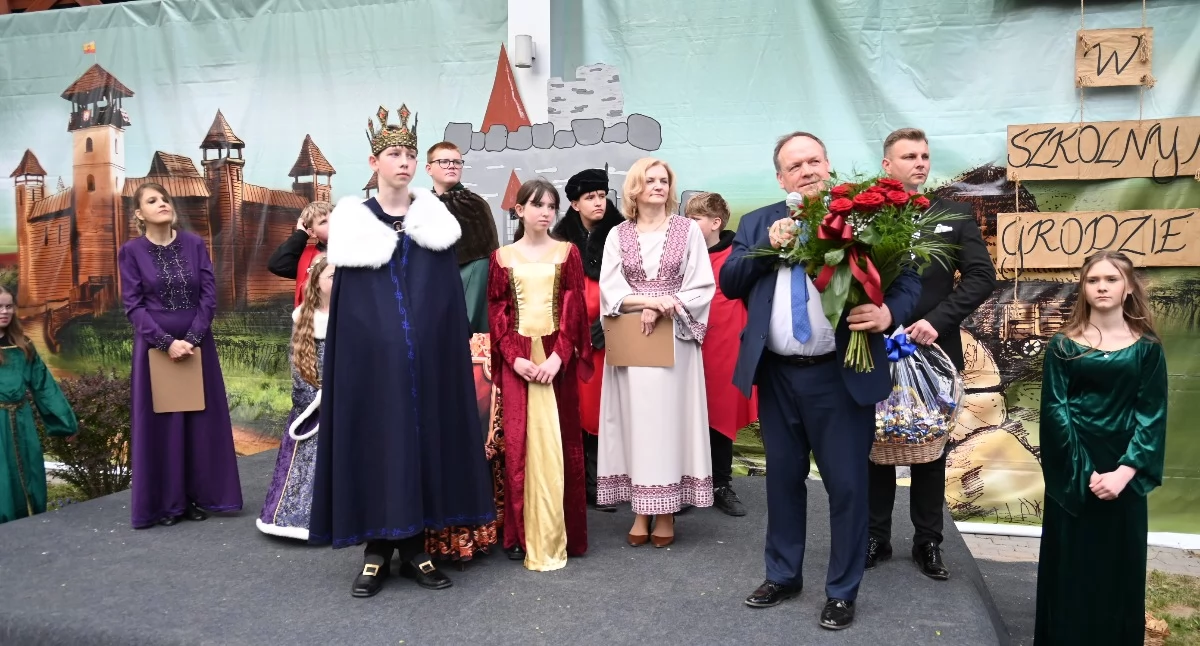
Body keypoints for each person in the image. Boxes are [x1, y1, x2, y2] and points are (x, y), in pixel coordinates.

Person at [720, 132, 921, 629]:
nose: (807, 171)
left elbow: (909, 279)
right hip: (779, 376)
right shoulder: (759, 222)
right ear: (780, 177)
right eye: (795, 165)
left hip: (840, 376)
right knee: (783, 483)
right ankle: (784, 575)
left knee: (848, 488)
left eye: (814, 161)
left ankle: (842, 590)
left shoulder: (862, 216)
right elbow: (730, 282)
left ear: (828, 164)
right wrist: (769, 243)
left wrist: (887, 312)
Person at [308, 104, 495, 598]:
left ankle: (415, 549)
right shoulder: (355, 227)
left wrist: (436, 351)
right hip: (371, 372)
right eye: (394, 153)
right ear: (374, 163)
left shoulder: (433, 226)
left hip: (428, 370)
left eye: (411, 153)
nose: (405, 161)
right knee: (377, 446)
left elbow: (444, 304)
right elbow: (353, 311)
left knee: (422, 446)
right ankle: (375, 551)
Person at [867, 128, 997, 580]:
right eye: (909, 156)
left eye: (924, 156)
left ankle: (928, 541)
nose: (920, 163)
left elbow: (983, 277)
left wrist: (937, 320)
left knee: (930, 450)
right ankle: (875, 537)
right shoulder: (867, 218)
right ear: (888, 165)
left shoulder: (955, 215)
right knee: (874, 444)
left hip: (933, 352)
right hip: (875, 348)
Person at [1034, 250, 1167, 645]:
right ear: (1083, 288)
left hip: (1124, 472)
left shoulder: (1147, 349)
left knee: (1118, 566)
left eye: (1111, 279)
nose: (1102, 286)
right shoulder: (1063, 345)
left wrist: (1125, 472)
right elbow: (1055, 412)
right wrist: (1084, 471)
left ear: (1128, 288)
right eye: (1093, 280)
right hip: (1074, 472)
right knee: (1071, 567)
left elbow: (1152, 415)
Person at [597, 157, 716, 548]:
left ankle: (665, 512)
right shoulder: (618, 234)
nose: (658, 186)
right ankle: (639, 509)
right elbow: (610, 290)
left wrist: (665, 303)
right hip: (633, 344)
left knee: (666, 423)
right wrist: (644, 302)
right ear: (634, 187)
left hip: (674, 343)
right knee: (635, 423)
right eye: (650, 180)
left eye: (664, 180)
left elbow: (702, 285)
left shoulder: (687, 231)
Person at [119, 182, 244, 528]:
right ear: (139, 214)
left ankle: (199, 497)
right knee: (163, 423)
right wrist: (165, 342)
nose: (162, 204)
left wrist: (190, 338)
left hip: (197, 343)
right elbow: (133, 306)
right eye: (152, 200)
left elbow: (208, 295)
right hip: (155, 348)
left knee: (199, 422)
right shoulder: (131, 252)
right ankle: (166, 504)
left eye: (164, 199)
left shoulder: (193, 244)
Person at [487, 178, 592, 571]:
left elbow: (574, 310)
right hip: (520, 364)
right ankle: (520, 535)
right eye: (537, 205)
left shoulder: (567, 253)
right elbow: (498, 312)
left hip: (553, 365)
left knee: (560, 445)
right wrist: (514, 358)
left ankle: (561, 529)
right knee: (519, 449)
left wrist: (558, 357)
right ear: (519, 210)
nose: (546, 212)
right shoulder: (502, 257)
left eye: (551, 206)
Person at [551, 168, 625, 513]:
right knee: (575, 407)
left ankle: (605, 480)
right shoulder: (561, 241)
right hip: (572, 333)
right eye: (590, 197)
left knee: (605, 409)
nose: (598, 202)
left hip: (611, 332)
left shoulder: (623, 234)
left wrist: (603, 325)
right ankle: (580, 480)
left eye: (601, 196)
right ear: (575, 203)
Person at [685, 192, 758, 517]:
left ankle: (721, 484)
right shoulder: (682, 254)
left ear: (715, 223)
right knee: (687, 415)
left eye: (696, 218)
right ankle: (687, 486)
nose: (688, 224)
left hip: (725, 342)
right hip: (687, 341)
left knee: (721, 415)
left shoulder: (736, 254)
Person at [257, 254, 332, 540]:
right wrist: (317, 396)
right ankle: (298, 520)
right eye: (332, 277)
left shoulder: (351, 316)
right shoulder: (305, 320)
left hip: (346, 403)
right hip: (316, 406)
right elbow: (300, 368)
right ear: (317, 282)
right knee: (306, 463)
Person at [0, 286, 78, 525]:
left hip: (22, 421)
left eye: (8, 306)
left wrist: (66, 423)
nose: (4, 312)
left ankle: (28, 529)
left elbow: (44, 386)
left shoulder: (23, 345)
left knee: (30, 472)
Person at [427, 141, 500, 334]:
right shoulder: (418, 206)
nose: (451, 165)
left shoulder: (474, 205)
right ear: (429, 168)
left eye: (457, 162)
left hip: (468, 292)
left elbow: (484, 266)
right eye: (444, 161)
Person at [267, 200, 332, 307]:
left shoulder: (358, 250)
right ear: (313, 232)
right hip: (318, 319)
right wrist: (301, 234)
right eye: (323, 222)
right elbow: (277, 264)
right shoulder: (309, 257)